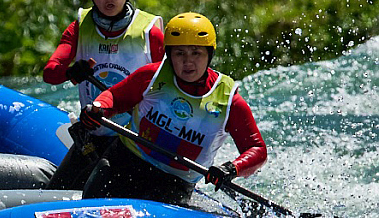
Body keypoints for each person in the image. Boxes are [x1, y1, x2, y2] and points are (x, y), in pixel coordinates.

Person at [78, 12, 267, 205]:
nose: (188, 62)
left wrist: (232, 169)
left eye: (196, 53)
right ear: (169, 54)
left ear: (209, 54)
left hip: (172, 185)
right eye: (179, 53)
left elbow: (257, 149)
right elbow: (115, 98)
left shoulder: (230, 102)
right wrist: (98, 108)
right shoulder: (151, 75)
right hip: (123, 163)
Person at [43, 0, 165, 189]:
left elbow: (171, 86)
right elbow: (51, 72)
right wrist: (70, 72)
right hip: (94, 135)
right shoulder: (80, 27)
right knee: (56, 192)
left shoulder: (150, 32)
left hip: (135, 143)